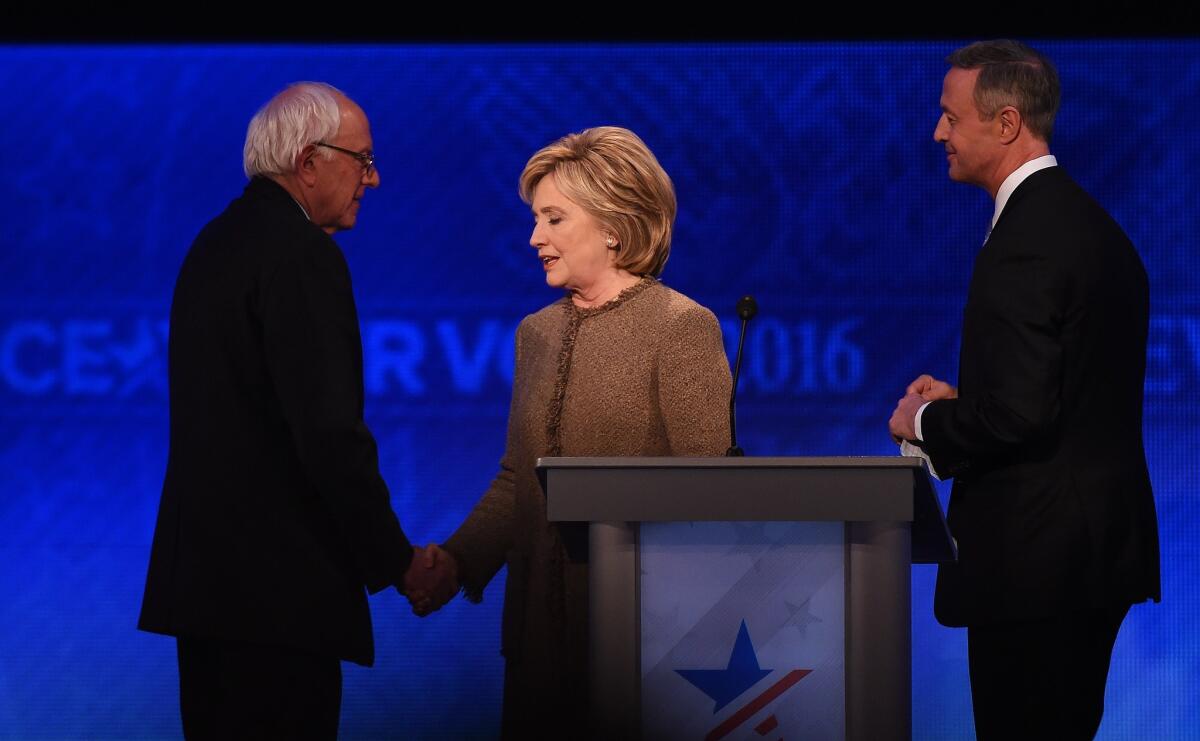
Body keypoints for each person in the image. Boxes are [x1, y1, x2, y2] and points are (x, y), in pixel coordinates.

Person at [138, 82, 452, 739]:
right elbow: (329, 435)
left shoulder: (211, 245)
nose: (375, 176)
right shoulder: (303, 256)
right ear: (309, 162)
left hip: (208, 597)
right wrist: (399, 560)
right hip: (277, 602)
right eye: (361, 159)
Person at [411, 126, 731, 735]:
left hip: (641, 640)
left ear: (613, 225)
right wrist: (455, 562)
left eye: (554, 219)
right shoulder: (536, 332)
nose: (535, 238)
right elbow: (519, 480)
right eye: (536, 220)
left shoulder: (680, 327)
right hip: (537, 638)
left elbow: (707, 493)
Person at [888, 40, 1160, 740]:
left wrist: (923, 422)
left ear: (1005, 123)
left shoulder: (1028, 239)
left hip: (1038, 566)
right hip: (1082, 559)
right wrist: (963, 398)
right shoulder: (1087, 224)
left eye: (950, 117)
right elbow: (1065, 390)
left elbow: (1020, 414)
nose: (937, 132)